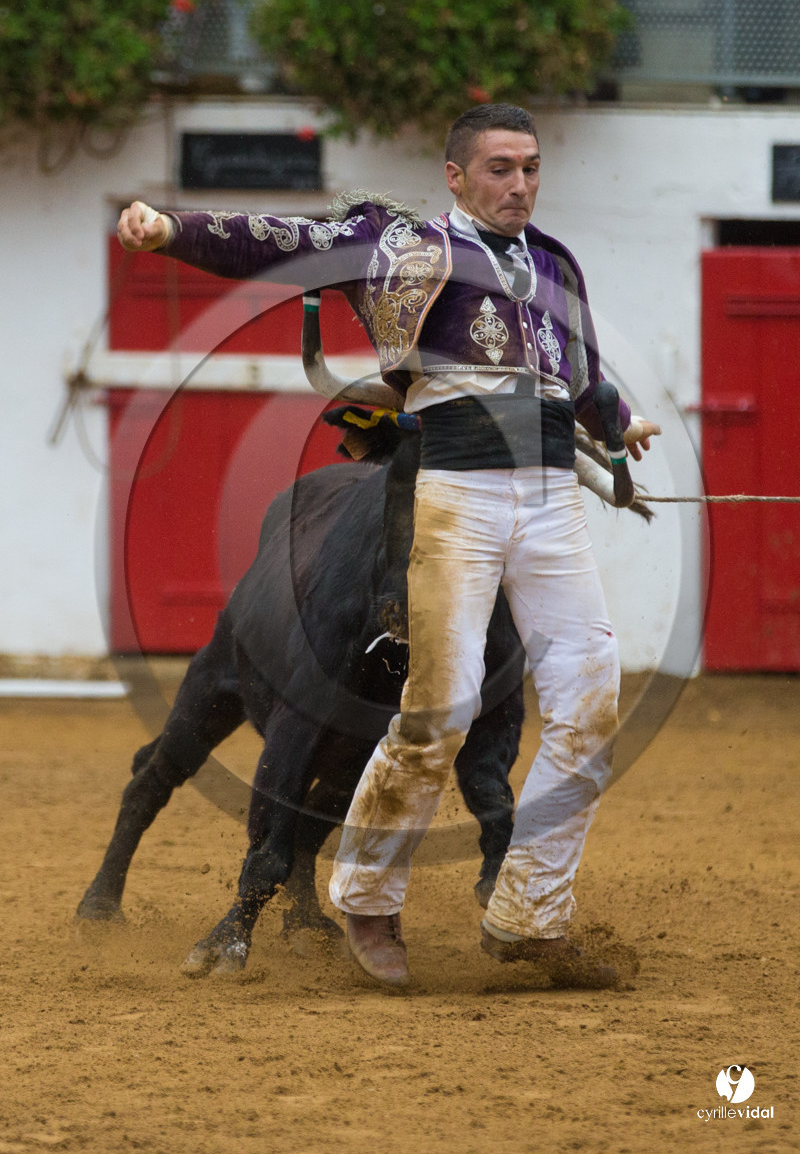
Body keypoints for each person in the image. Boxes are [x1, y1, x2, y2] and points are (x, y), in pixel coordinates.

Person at [118, 103, 660, 989]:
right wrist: (170, 228)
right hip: (458, 493)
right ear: (455, 176)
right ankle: (367, 895)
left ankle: (531, 917)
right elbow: (273, 239)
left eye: (529, 167)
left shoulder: (557, 263)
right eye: (499, 169)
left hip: (551, 499)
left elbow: (579, 372)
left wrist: (618, 423)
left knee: (592, 700)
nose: (519, 184)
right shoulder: (395, 248)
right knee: (440, 707)